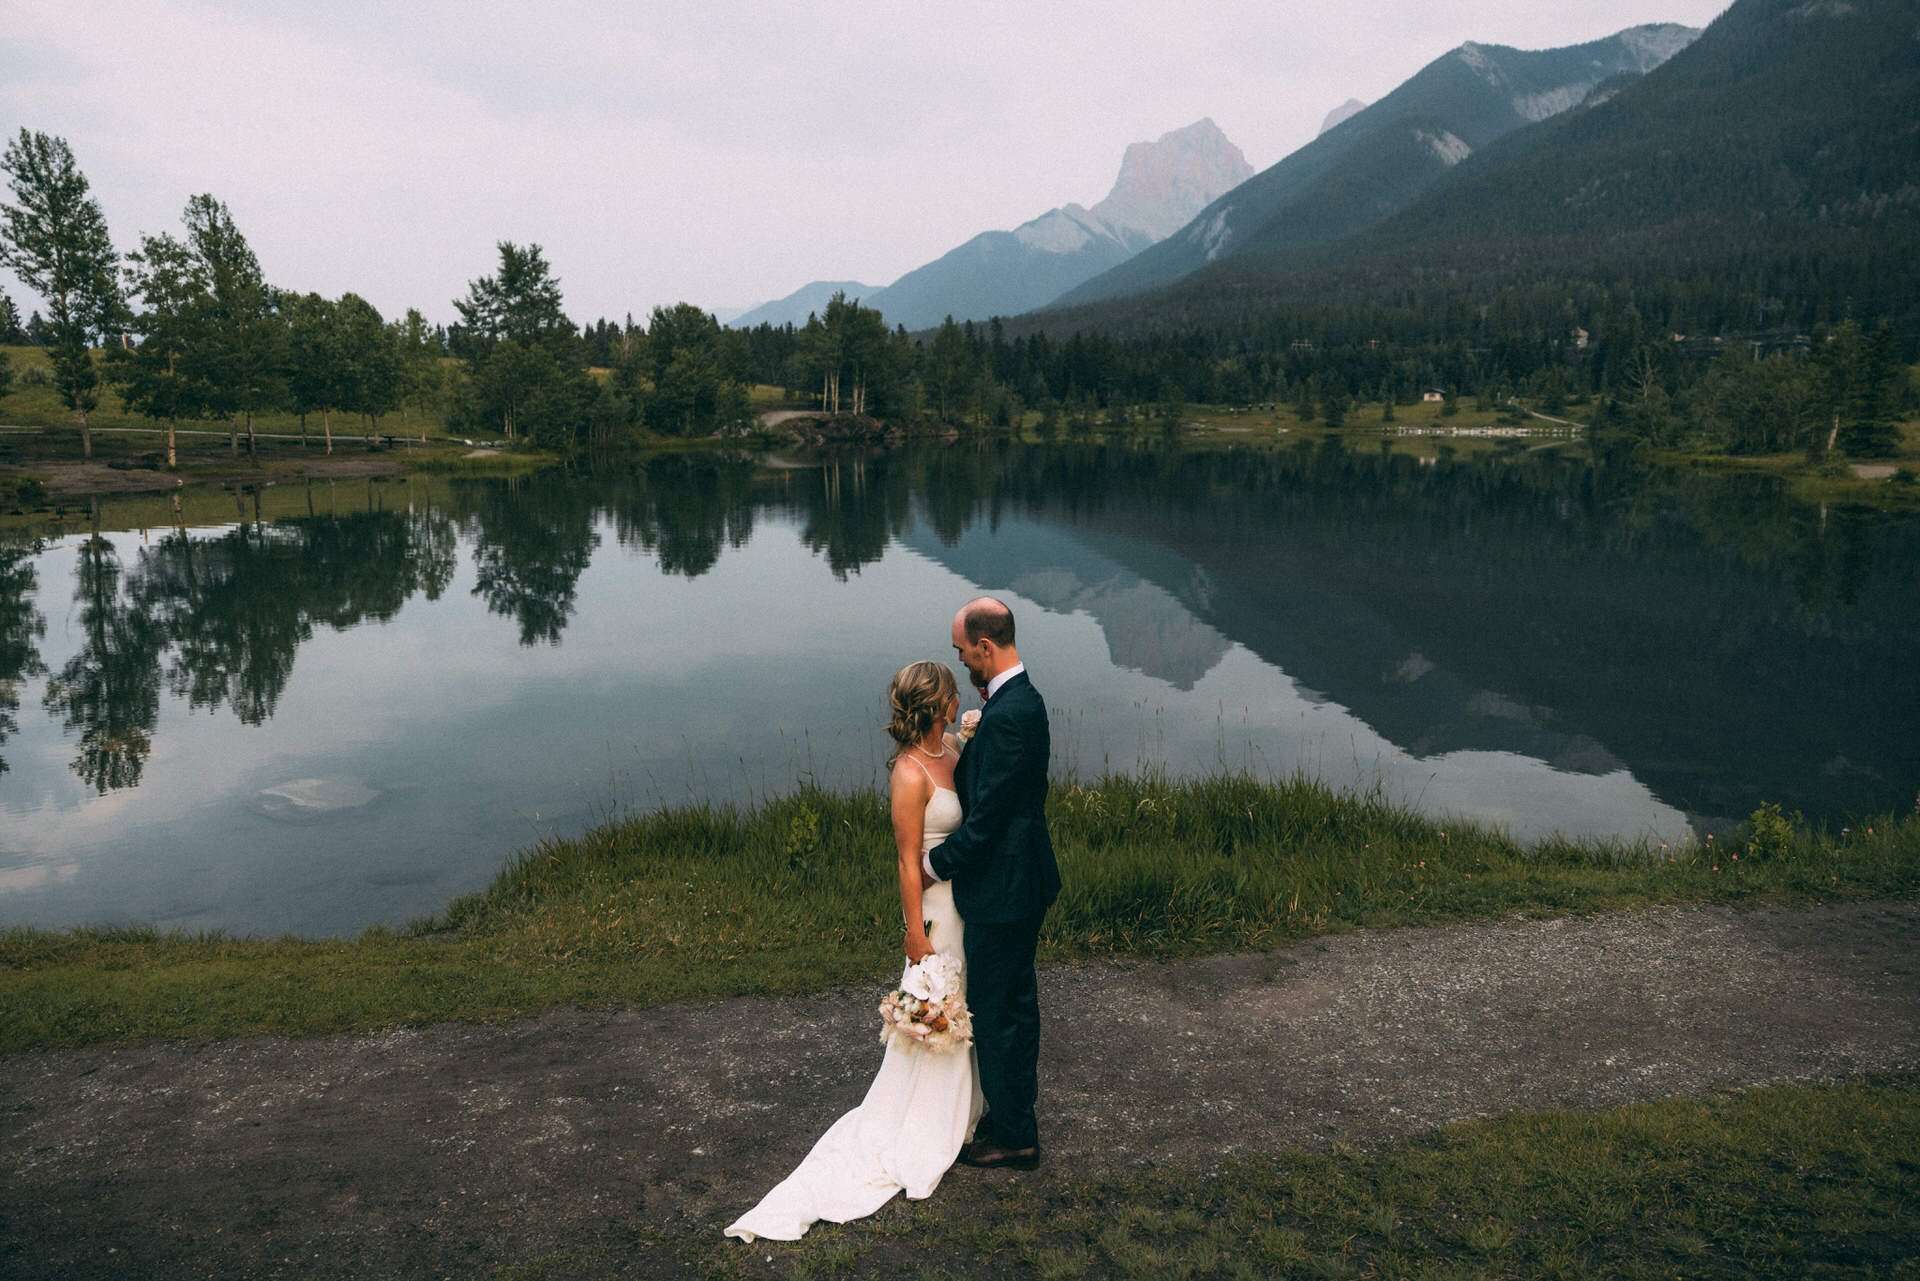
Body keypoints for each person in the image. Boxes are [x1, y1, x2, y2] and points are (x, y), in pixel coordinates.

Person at [724, 660, 984, 1242]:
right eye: (951, 692)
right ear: (936, 702)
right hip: (936, 909)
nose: (958, 697)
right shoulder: (910, 773)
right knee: (940, 1000)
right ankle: (922, 1119)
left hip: (969, 902)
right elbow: (905, 857)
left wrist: (976, 732)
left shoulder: (953, 749)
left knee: (968, 999)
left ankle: (964, 1106)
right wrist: (915, 931)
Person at [925, 597, 1060, 1170]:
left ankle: (1013, 1133)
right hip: (1017, 881)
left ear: (986, 646)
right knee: (1011, 1004)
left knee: (1000, 1008)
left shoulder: (1009, 715)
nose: (960, 662)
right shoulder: (1015, 703)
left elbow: (988, 821)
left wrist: (934, 865)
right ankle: (1010, 1118)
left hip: (1005, 889)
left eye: (962, 652)